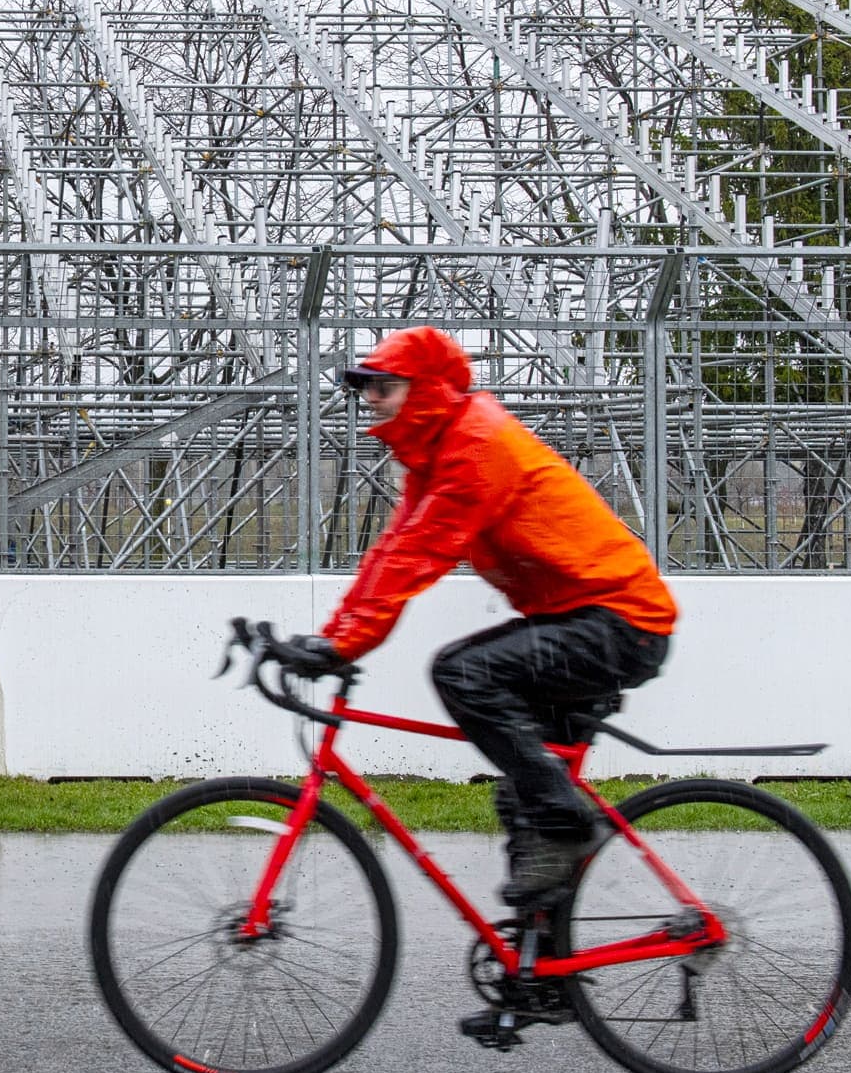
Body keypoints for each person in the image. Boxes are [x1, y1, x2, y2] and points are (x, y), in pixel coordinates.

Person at [271, 325, 676, 908]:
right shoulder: (434, 458)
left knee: (465, 673)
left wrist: (342, 648)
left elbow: (419, 554)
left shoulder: (478, 444)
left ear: (425, 389)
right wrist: (331, 638)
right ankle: (541, 984)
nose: (369, 398)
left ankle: (570, 823)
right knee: (524, 799)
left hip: (619, 621)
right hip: (578, 617)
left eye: (382, 386)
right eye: (364, 386)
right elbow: (391, 552)